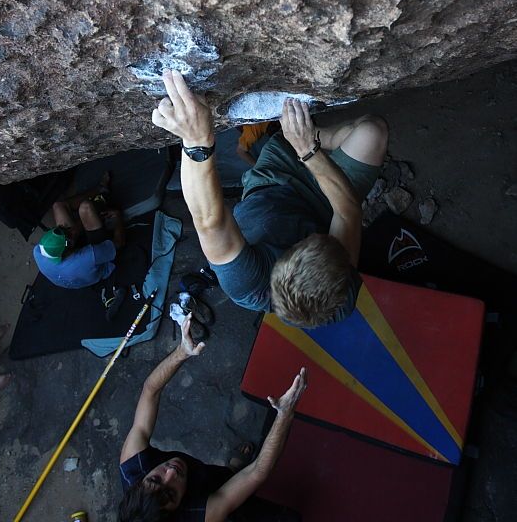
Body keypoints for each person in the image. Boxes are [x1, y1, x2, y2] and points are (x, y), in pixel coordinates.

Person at [152, 70, 388, 328]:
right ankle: (306, 132)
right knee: (372, 131)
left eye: (312, 239)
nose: (313, 233)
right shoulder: (341, 293)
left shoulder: (247, 282)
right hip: (326, 204)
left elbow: (209, 221)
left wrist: (196, 140)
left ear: (281, 263)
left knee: (351, 136)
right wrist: (308, 150)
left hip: (272, 181)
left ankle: (295, 133)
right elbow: (347, 213)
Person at [118, 313, 306, 521]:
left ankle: (231, 470)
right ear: (175, 511)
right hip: (216, 508)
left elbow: (150, 390)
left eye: (155, 478)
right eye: (171, 492)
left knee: (222, 477)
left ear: (139, 481)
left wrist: (181, 352)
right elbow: (257, 472)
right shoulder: (198, 515)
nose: (171, 473)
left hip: (203, 481)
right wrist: (284, 414)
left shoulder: (132, 464)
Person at [32, 177, 126, 289]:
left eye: (64, 229)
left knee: (58, 206)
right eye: (69, 234)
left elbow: (68, 236)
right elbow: (119, 244)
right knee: (85, 208)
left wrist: (76, 229)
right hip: (98, 264)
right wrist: (118, 217)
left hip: (74, 265)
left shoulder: (38, 251)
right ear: (69, 246)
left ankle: (101, 189)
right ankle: (102, 202)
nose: (71, 230)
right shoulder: (87, 257)